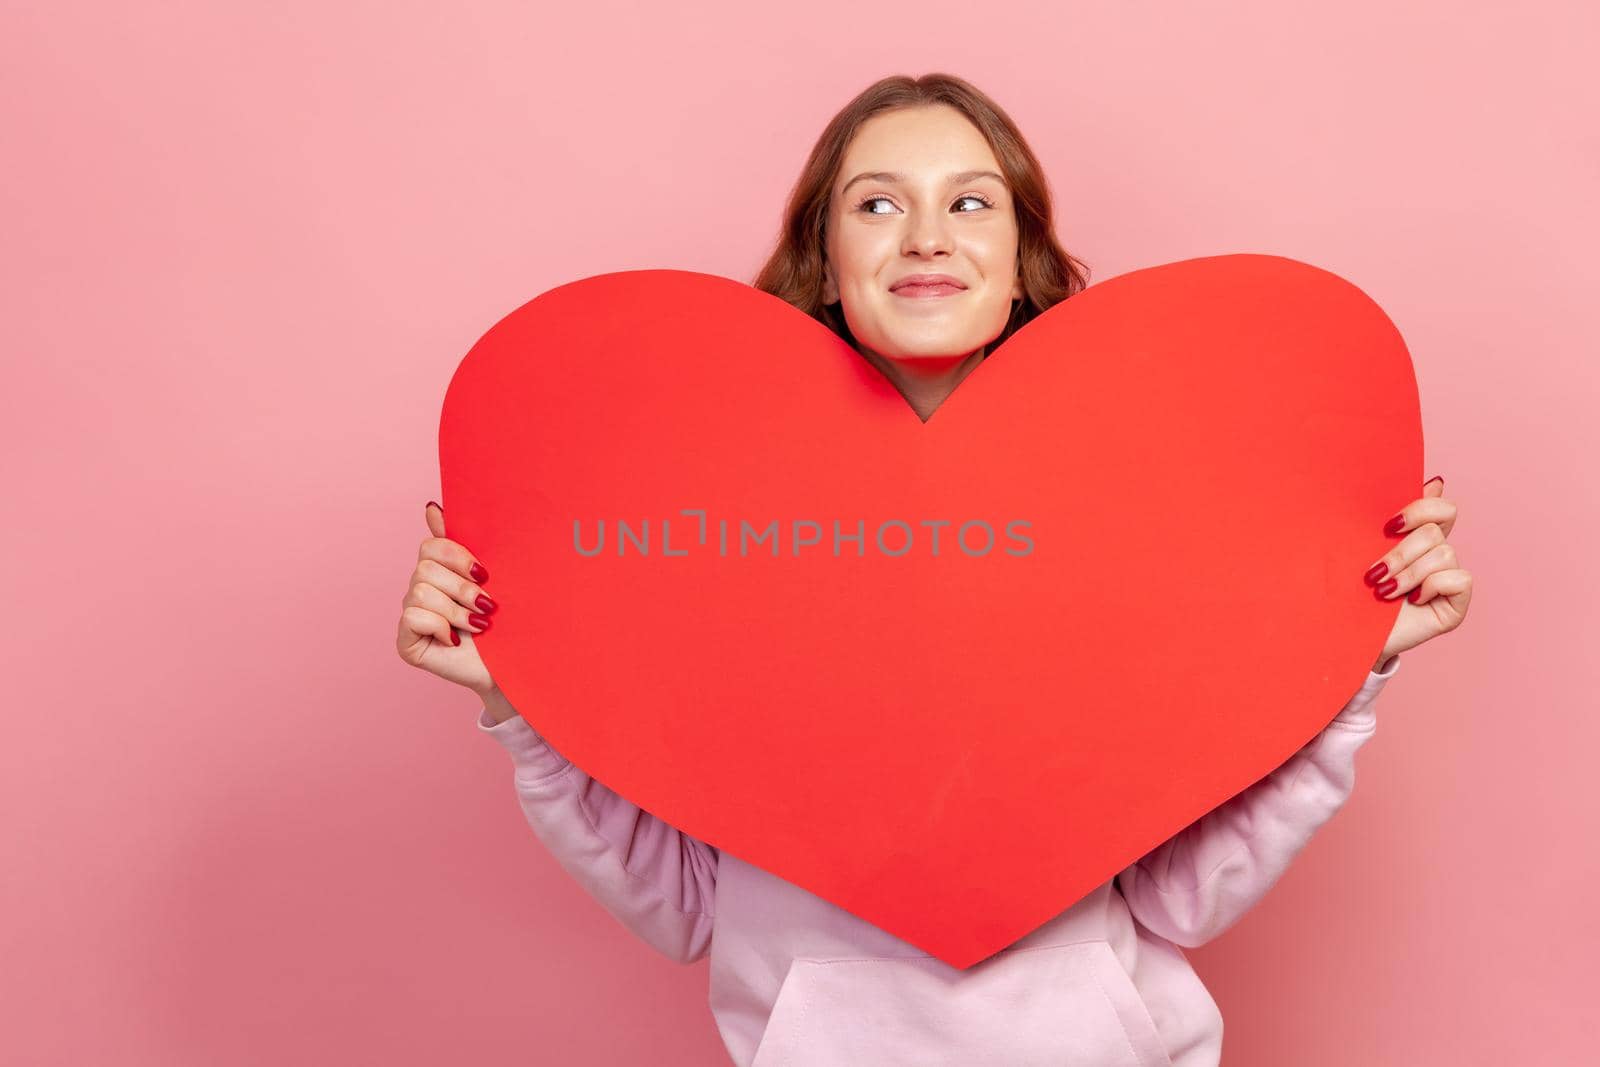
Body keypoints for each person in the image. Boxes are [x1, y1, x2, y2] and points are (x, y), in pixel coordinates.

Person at [396, 73, 1474, 1066]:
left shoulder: (1138, 518)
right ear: (823, 255)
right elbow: (684, 907)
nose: (925, 235)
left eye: (970, 202)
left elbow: (1179, 902)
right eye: (875, 203)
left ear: (1021, 259)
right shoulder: (705, 535)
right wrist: (516, 691)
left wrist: (1348, 670)